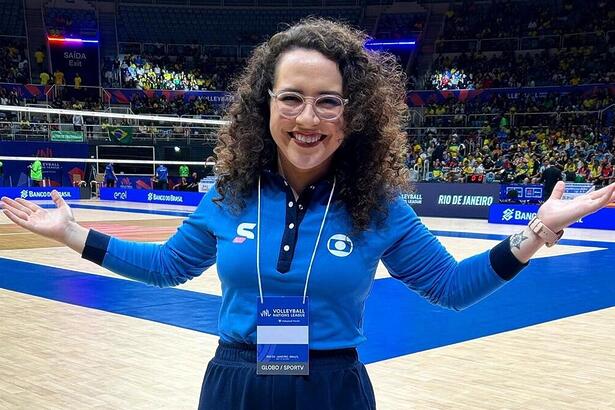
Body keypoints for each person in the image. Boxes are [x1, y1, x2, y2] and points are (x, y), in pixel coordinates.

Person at [1, 19, 614, 410]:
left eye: (328, 101)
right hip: (236, 384)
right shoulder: (227, 194)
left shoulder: (381, 207)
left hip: (332, 389)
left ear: (355, 114)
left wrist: (540, 230)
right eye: (291, 98)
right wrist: (75, 234)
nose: (308, 118)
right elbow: (166, 268)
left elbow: (452, 288)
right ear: (264, 106)